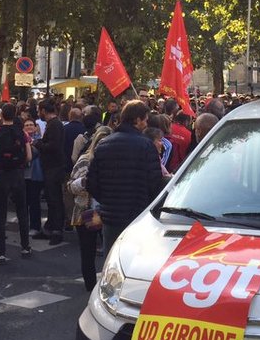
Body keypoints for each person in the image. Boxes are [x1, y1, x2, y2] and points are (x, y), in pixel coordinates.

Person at [86, 100, 164, 255]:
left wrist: (107, 201)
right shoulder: (146, 146)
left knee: (112, 259)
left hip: (111, 216)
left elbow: (91, 182)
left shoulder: (104, 144)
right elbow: (155, 182)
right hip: (138, 215)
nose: (146, 124)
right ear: (137, 120)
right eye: (145, 120)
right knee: (135, 259)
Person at [0, 104, 32, 263]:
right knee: (22, 210)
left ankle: (1, 252)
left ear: (1, 116)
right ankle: (25, 246)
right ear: (15, 114)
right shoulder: (22, 133)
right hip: (18, 174)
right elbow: (29, 156)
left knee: (0, 212)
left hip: (1, 174)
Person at [68, 127, 112, 291]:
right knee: (88, 251)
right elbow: (71, 186)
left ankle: (108, 285)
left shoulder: (115, 161)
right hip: (87, 211)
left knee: (111, 251)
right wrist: (84, 182)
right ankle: (90, 286)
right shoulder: (85, 160)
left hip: (108, 211)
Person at [34, 100, 67, 245]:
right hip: (52, 167)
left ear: (43, 110)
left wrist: (38, 143)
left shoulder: (54, 125)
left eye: (39, 110)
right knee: (51, 198)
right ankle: (50, 227)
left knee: (55, 199)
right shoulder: (53, 124)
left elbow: (53, 146)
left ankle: (56, 231)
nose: (38, 113)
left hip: (54, 167)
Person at [23, 117, 44, 235]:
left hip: (36, 174)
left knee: (34, 201)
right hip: (24, 174)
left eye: (31, 125)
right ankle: (24, 224)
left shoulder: (40, 140)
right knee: (24, 201)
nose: (29, 127)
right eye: (26, 125)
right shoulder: (21, 140)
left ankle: (35, 226)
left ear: (36, 127)